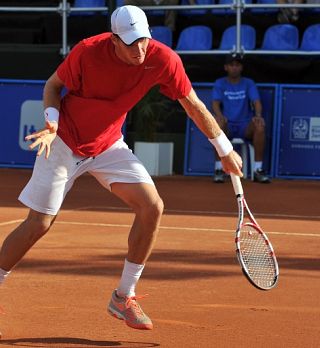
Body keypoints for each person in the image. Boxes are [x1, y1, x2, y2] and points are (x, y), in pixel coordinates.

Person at [0, 5, 242, 333]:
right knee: (38, 225)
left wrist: (224, 150)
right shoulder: (87, 52)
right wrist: (52, 123)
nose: (139, 49)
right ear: (114, 40)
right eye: (130, 43)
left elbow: (193, 105)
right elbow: (53, 86)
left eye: (143, 40)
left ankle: (123, 296)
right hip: (64, 143)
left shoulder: (163, 59)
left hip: (108, 144)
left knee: (152, 207)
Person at [212, 53, 270, 184]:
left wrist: (258, 116)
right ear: (226, 67)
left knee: (259, 126)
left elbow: (257, 102)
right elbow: (215, 103)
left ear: (241, 67)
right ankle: (219, 170)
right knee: (216, 126)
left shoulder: (248, 83)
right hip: (228, 125)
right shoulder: (220, 83)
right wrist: (220, 116)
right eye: (231, 65)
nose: (234, 68)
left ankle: (258, 170)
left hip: (245, 126)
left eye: (237, 65)